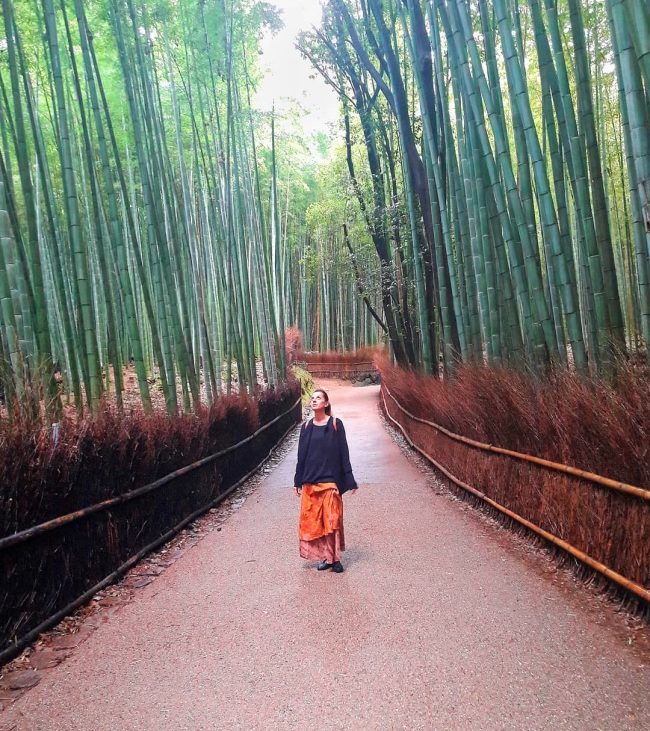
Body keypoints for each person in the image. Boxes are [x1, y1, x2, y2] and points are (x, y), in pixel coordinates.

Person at [293, 388, 357, 573]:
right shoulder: (306, 428)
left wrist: (349, 478)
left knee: (332, 520)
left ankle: (335, 558)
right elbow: (301, 456)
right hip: (311, 482)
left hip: (330, 482)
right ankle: (325, 558)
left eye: (318, 398)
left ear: (326, 403)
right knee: (315, 522)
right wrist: (298, 481)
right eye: (312, 398)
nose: (314, 400)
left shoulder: (336, 424)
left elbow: (344, 452)